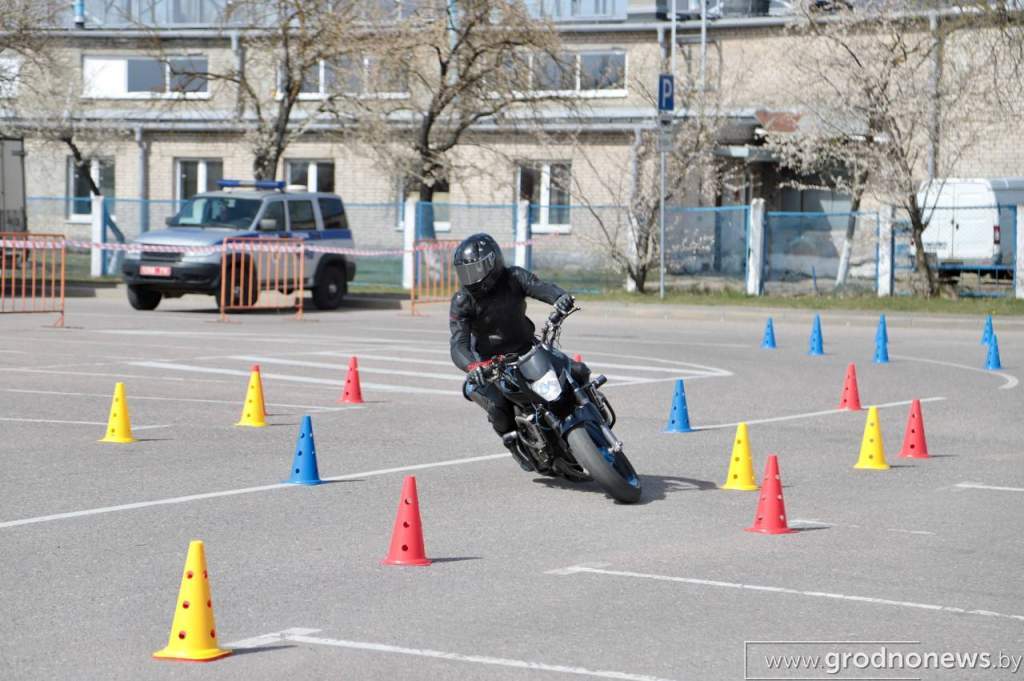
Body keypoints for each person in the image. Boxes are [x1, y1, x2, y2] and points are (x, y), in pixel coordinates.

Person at [448, 233, 583, 471]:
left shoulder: (514, 277)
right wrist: (473, 367)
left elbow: (541, 288)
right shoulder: (463, 300)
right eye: (466, 272)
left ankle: (587, 411)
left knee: (579, 372)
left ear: (493, 262)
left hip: (528, 348)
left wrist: (559, 298)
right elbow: (458, 343)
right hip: (491, 364)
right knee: (498, 406)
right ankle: (513, 444)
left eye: (475, 271)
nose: (472, 279)